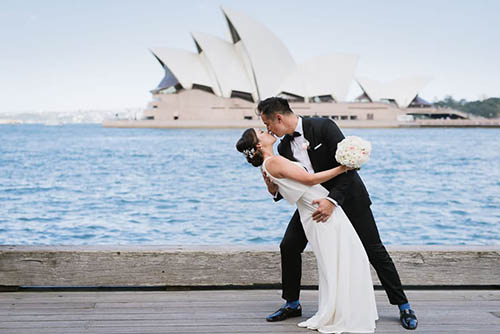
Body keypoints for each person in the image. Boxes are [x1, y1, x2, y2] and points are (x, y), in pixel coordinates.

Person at [256, 97, 418, 330]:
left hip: (348, 198)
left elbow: (350, 167)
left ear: (278, 118)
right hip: (312, 205)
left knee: (374, 250)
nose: (268, 129)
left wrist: (332, 201)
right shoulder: (282, 148)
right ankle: (292, 303)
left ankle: (404, 306)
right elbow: (294, 183)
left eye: (268, 124)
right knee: (289, 245)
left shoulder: (323, 127)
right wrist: (274, 190)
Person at [236, 128, 378, 333]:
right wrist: (344, 168)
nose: (265, 130)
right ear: (258, 144)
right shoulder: (273, 162)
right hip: (321, 211)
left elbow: (277, 189)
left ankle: (343, 309)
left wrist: (274, 189)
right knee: (342, 259)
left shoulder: (268, 164)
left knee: (336, 261)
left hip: (313, 210)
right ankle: (341, 312)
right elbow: (310, 180)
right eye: (260, 131)